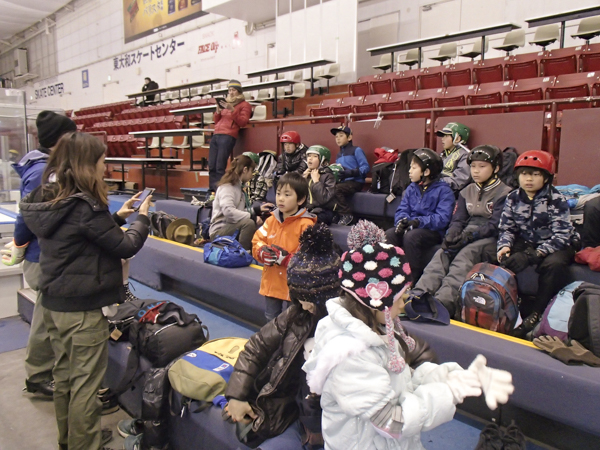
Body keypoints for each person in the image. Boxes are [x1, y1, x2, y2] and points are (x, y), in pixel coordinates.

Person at [302, 221, 514, 450]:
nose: (404, 304)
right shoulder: (349, 354)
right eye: (400, 296)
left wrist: (457, 377)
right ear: (376, 302)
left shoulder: (376, 329)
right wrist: (449, 392)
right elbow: (393, 423)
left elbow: (403, 380)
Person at [20, 132, 152, 450]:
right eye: (101, 162)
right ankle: (85, 444)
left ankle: (71, 439)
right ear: (86, 165)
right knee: (85, 384)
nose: (104, 168)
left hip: (53, 304)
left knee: (65, 378)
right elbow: (126, 245)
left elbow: (81, 232)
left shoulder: (50, 199)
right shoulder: (84, 207)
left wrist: (119, 216)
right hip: (81, 312)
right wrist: (143, 218)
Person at [223, 223, 339, 449]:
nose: (302, 305)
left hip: (326, 424)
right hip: (288, 410)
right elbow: (256, 348)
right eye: (298, 296)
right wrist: (236, 395)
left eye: (309, 299)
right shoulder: (296, 315)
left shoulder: (345, 332)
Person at [1, 111, 76, 398]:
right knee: (47, 318)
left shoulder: (48, 168)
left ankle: (42, 372)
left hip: (44, 255)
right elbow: (29, 216)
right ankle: (39, 375)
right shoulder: (41, 173)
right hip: (40, 257)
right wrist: (20, 245)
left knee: (49, 316)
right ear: (59, 140)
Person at [410, 145, 512, 318]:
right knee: (443, 252)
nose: (476, 171)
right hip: (468, 229)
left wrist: (470, 236)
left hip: (491, 237)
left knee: (465, 255)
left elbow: (496, 225)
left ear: (496, 168)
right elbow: (458, 219)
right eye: (473, 166)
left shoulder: (505, 192)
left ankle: (443, 302)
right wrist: (452, 235)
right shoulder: (467, 190)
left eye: (482, 166)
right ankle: (419, 294)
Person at [497, 150, 579, 335]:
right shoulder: (513, 197)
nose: (529, 179)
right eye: (525, 174)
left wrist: (533, 255)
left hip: (558, 244)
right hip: (528, 241)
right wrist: (504, 246)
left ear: (546, 178)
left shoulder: (556, 200)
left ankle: (536, 313)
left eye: (535, 174)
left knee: (554, 265)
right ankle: (503, 306)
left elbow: (562, 236)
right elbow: (507, 228)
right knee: (502, 257)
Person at [252, 172, 316, 321]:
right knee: (270, 320)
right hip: (272, 281)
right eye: (279, 193)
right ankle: (272, 345)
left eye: (287, 195)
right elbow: (257, 241)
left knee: (291, 322)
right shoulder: (271, 221)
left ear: (301, 199)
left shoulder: (307, 225)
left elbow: (310, 257)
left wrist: (287, 259)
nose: (281, 198)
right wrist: (261, 251)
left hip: (294, 286)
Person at [384, 148, 455, 283]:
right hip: (412, 225)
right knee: (390, 234)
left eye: (414, 168)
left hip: (432, 231)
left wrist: (417, 222)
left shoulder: (444, 191)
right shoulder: (412, 187)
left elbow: (442, 218)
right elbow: (402, 209)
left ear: (426, 172)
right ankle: (391, 274)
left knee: (412, 237)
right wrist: (402, 222)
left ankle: (412, 279)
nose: (409, 171)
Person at [209, 154, 273, 251]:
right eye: (251, 171)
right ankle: (244, 253)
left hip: (229, 226)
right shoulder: (228, 187)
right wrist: (252, 216)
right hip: (219, 231)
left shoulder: (238, 187)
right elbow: (229, 211)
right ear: (245, 170)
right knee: (249, 223)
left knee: (250, 222)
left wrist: (256, 209)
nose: (252, 175)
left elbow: (238, 211)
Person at [209, 80, 253, 191]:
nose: (231, 92)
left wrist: (232, 109)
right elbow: (217, 121)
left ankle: (219, 190)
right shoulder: (225, 103)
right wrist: (218, 112)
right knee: (211, 166)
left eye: (233, 90)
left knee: (220, 166)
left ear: (238, 91)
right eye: (229, 90)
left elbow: (243, 121)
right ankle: (212, 191)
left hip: (228, 135)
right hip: (217, 134)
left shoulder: (245, 105)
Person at [330, 126, 370, 226]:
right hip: (344, 182)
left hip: (356, 182)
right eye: (336, 137)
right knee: (330, 188)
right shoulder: (338, 155)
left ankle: (346, 215)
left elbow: (366, 167)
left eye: (341, 136)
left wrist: (350, 173)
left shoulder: (356, 150)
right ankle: (336, 214)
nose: (338, 138)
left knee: (337, 189)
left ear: (349, 137)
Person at [304, 145, 337, 225]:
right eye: (308, 156)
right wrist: (302, 180)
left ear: (323, 160)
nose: (310, 158)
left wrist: (316, 182)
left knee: (308, 222)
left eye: (315, 156)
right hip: (308, 210)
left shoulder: (328, 176)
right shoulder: (306, 175)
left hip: (324, 211)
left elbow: (324, 199)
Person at [435, 122, 471, 193]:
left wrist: (438, 182)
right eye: (443, 136)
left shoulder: (465, 155)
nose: (442, 139)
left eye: (446, 136)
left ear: (457, 138)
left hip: (453, 194)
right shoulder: (443, 154)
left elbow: (460, 179)